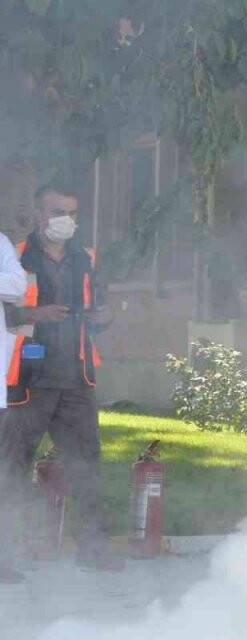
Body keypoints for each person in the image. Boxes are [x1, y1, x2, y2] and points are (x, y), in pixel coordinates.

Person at [0, 183, 120, 579]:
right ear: (38, 215)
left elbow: (100, 305)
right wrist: (37, 315)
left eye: (71, 212)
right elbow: (8, 316)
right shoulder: (15, 256)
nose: (65, 221)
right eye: (57, 212)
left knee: (86, 464)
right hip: (29, 377)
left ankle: (93, 548)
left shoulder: (87, 257)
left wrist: (105, 316)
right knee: (11, 467)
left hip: (77, 376)